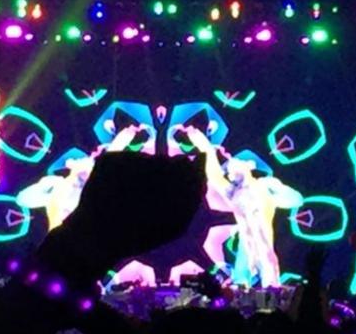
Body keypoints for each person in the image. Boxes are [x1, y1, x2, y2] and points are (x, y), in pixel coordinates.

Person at [181, 125, 302, 287]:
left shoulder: (264, 187)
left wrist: (276, 190)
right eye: (229, 172)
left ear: (248, 166)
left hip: (264, 244)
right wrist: (207, 149)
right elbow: (215, 176)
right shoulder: (234, 193)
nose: (231, 172)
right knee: (240, 280)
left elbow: (297, 200)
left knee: (270, 280)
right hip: (246, 246)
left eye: (234, 165)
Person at [15, 122, 153, 231]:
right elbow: (22, 199)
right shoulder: (59, 189)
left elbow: (113, 151)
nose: (91, 157)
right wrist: (53, 185)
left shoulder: (94, 189)